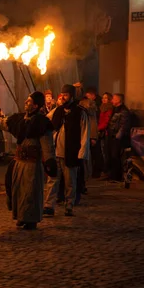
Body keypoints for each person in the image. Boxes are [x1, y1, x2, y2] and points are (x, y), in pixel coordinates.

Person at [0, 92, 57, 230]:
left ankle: (30, 218)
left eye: (29, 101)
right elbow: (3, 122)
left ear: (36, 105)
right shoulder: (19, 119)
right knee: (18, 191)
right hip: (19, 162)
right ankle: (20, 216)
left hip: (31, 164)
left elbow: (47, 145)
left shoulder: (41, 123)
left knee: (30, 192)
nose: (26, 101)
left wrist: (49, 161)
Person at [44, 84, 90, 217]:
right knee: (52, 180)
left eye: (66, 94)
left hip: (71, 152)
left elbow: (84, 133)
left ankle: (69, 205)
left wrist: (82, 152)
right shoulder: (57, 111)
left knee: (70, 181)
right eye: (62, 94)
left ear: (72, 96)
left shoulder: (80, 112)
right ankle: (48, 206)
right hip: (55, 152)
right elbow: (46, 120)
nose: (63, 97)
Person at [107, 93, 131, 181]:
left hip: (117, 138)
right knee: (111, 156)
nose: (112, 100)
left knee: (115, 156)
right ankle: (112, 175)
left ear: (118, 100)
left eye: (113, 98)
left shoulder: (124, 111)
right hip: (112, 136)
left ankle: (116, 177)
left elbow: (123, 126)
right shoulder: (115, 109)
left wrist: (117, 137)